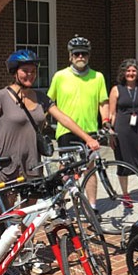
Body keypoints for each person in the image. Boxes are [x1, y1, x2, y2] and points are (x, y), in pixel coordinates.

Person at [0, 49, 99, 275]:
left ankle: (25, 255)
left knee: (30, 217)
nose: (30, 74)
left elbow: (64, 118)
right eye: (25, 70)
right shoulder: (1, 97)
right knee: (8, 220)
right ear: (14, 72)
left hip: (33, 165)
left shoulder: (40, 97)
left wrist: (87, 138)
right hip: (7, 166)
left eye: (33, 71)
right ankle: (7, 265)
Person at [48, 35, 109, 212]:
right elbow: (49, 102)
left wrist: (105, 121)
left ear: (88, 56)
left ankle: (92, 206)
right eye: (76, 54)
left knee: (90, 169)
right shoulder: (60, 76)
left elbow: (103, 102)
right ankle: (59, 204)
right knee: (65, 169)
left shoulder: (97, 77)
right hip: (65, 132)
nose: (80, 57)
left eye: (83, 54)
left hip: (90, 131)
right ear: (70, 56)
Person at [109, 59, 138, 191]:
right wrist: (110, 134)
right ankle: (125, 194)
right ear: (123, 73)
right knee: (122, 162)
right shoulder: (116, 90)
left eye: (134, 71)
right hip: (122, 130)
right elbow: (112, 114)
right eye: (128, 71)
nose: (131, 73)